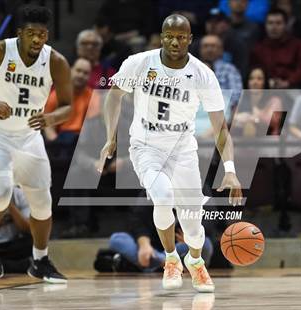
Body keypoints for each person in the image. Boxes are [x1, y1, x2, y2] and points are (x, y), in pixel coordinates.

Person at [98, 14, 242, 293]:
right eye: (169, 36)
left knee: (192, 223)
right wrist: (110, 137)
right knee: (162, 197)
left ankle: (196, 262)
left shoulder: (203, 75)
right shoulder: (139, 63)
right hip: (145, 146)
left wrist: (231, 171)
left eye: (180, 36)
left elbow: (220, 129)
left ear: (190, 39)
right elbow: (113, 95)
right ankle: (172, 259)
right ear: (161, 37)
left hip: (183, 151)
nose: (174, 41)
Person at [0, 5, 71, 282]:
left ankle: (40, 261)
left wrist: (51, 118)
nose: (37, 39)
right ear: (19, 33)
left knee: (43, 204)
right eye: (31, 33)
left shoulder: (56, 61)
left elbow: (67, 107)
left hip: (29, 137)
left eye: (42, 34)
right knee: (0, 192)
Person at [109, 205, 214, 272]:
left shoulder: (196, 184)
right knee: (117, 239)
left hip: (182, 247)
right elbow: (137, 218)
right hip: (153, 247)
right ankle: (166, 263)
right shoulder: (155, 183)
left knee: (206, 244)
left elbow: (211, 216)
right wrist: (144, 245)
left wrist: (193, 235)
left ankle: (157, 263)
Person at [44, 58, 101, 146]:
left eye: (85, 73)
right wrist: (55, 143)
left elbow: (92, 128)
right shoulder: (56, 95)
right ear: (71, 71)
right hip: (60, 140)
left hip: (82, 142)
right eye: (78, 71)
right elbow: (48, 126)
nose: (81, 75)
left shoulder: (94, 97)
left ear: (90, 76)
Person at [251, 8, 301, 89]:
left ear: (286, 25)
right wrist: (267, 82)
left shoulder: (299, 46)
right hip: (266, 90)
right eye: (270, 23)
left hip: (294, 88)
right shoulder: (258, 49)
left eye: (278, 23)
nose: (274, 27)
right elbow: (255, 71)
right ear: (265, 25)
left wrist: (288, 82)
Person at [0, 185, 32, 273]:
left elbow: (27, 228)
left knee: (33, 239)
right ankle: (20, 266)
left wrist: (9, 204)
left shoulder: (20, 194)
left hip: (14, 245)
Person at [232, 67, 283, 137]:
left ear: (265, 82)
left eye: (259, 79)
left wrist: (252, 118)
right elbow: (233, 120)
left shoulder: (275, 101)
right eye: (251, 78)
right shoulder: (241, 99)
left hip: (268, 142)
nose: (255, 82)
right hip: (243, 140)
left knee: (249, 126)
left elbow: (272, 124)